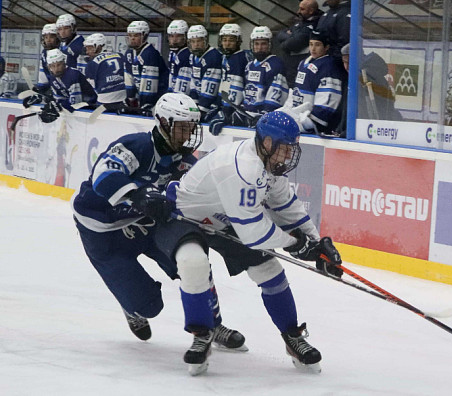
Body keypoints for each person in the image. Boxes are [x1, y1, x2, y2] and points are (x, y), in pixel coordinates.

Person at [149, 110, 343, 374]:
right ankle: (202, 333)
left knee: (270, 270)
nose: (288, 156)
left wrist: (316, 243)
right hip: (185, 215)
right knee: (193, 264)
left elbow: (287, 207)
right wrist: (296, 244)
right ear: (266, 143)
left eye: (291, 149)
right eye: (284, 149)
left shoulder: (269, 164)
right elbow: (252, 232)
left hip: (225, 218)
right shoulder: (243, 167)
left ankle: (292, 336)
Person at [71, 92, 246, 354]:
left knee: (194, 262)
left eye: (192, 128)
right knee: (149, 307)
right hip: (103, 230)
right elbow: (103, 174)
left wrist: (230, 223)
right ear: (163, 123)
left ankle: (212, 324)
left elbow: (202, 198)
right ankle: (131, 307)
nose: (188, 134)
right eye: (183, 127)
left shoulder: (185, 161)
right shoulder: (136, 145)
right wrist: (137, 193)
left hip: (147, 224)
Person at [283, 29, 343, 135]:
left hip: (310, 124)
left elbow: (329, 99)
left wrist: (313, 122)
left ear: (326, 47)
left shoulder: (328, 67)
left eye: (318, 45)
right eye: (311, 44)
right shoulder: (303, 63)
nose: (313, 49)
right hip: (297, 116)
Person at [236, 26, 288, 126]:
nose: (259, 48)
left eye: (263, 44)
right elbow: (246, 92)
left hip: (264, 119)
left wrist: (265, 115)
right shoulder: (249, 65)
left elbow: (276, 96)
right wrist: (242, 109)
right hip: (248, 115)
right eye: (256, 44)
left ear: (269, 44)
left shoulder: (276, 64)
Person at [275, 0, 323, 88]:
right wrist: (291, 37)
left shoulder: (316, 24)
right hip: (290, 68)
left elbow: (295, 43)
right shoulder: (300, 22)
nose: (298, 12)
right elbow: (280, 34)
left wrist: (289, 37)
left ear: (311, 11)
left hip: (302, 69)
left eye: (302, 9)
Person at [124, 20, 169, 111]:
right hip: (140, 97)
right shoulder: (129, 53)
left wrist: (146, 104)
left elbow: (149, 85)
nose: (132, 38)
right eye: (130, 35)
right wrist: (130, 98)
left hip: (157, 100)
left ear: (144, 36)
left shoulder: (150, 54)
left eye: (136, 35)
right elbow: (129, 77)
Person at [214, 23, 253, 126]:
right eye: (224, 40)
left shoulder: (240, 59)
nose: (227, 43)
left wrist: (227, 111)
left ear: (238, 41)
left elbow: (238, 89)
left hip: (238, 110)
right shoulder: (226, 57)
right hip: (228, 106)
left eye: (231, 40)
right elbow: (225, 84)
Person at [186, 25, 222, 121]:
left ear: (205, 41)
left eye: (199, 41)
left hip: (212, 105)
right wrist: (193, 105)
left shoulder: (213, 56)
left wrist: (201, 110)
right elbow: (193, 83)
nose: (196, 44)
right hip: (200, 102)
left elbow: (210, 90)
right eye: (193, 42)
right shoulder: (192, 57)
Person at [83, 33, 126, 110]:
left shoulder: (92, 63)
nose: (87, 52)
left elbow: (92, 89)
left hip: (105, 100)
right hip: (124, 97)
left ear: (99, 47)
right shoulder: (121, 56)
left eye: (90, 48)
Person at [46, 48, 97, 113]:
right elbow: (59, 99)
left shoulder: (73, 74)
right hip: (77, 111)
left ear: (64, 63)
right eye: (52, 66)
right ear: (49, 67)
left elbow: (75, 102)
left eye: (58, 65)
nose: (56, 69)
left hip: (90, 108)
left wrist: (58, 106)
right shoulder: (53, 78)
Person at [166, 20, 191, 95]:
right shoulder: (172, 53)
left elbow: (184, 83)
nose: (174, 40)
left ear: (185, 36)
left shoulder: (187, 54)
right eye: (171, 36)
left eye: (178, 36)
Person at [35, 23, 60, 95]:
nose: (48, 40)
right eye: (46, 37)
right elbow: (44, 78)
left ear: (57, 37)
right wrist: (39, 91)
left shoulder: (63, 52)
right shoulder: (44, 53)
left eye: (51, 37)